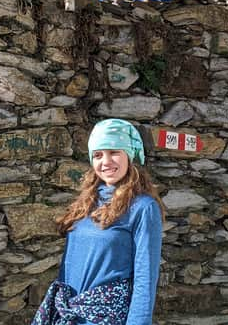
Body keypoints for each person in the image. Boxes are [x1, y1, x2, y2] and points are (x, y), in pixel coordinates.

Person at [32, 118, 165, 325]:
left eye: (114, 152)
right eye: (98, 155)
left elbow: (145, 279)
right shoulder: (87, 202)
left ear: (129, 156)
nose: (105, 161)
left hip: (106, 318)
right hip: (69, 314)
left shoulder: (143, 207)